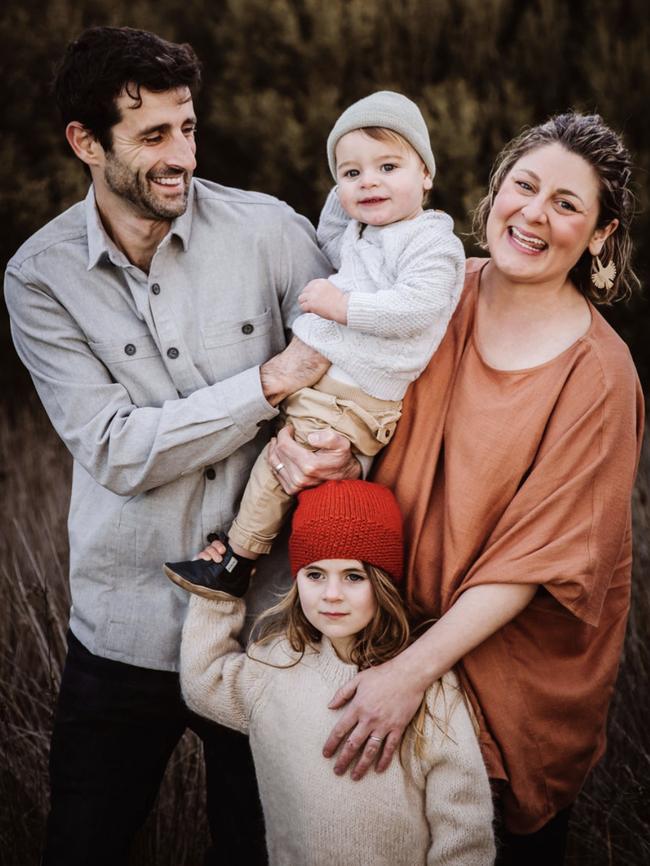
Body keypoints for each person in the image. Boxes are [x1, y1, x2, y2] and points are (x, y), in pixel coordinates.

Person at [3, 26, 359, 866]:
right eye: (153, 136)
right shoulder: (38, 277)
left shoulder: (269, 232)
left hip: (270, 630)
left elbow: (349, 381)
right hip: (121, 631)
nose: (183, 157)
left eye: (188, 127)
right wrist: (267, 384)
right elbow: (119, 451)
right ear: (84, 143)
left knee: (263, 850)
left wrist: (338, 455)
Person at [268, 113, 644, 864]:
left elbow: (534, 565)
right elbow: (367, 411)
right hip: (385, 636)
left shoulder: (598, 376)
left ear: (600, 235)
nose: (535, 214)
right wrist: (331, 458)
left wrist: (408, 676)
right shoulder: (435, 295)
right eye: (525, 185)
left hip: (503, 673)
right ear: (495, 189)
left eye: (568, 204)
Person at [164, 90, 465, 596]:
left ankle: (237, 560)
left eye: (389, 166)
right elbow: (331, 235)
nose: (369, 181)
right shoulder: (366, 233)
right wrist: (348, 188)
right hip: (333, 385)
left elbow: (418, 308)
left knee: (280, 465)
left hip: (358, 393)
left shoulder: (433, 243)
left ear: (427, 175)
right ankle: (271, 551)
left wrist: (343, 307)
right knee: (293, 468)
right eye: (352, 174)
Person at [178, 479, 496, 866]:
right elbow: (203, 683)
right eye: (315, 574)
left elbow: (464, 831)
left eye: (353, 576)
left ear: (382, 584)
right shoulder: (278, 663)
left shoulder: (425, 687)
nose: (331, 594)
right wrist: (217, 591)